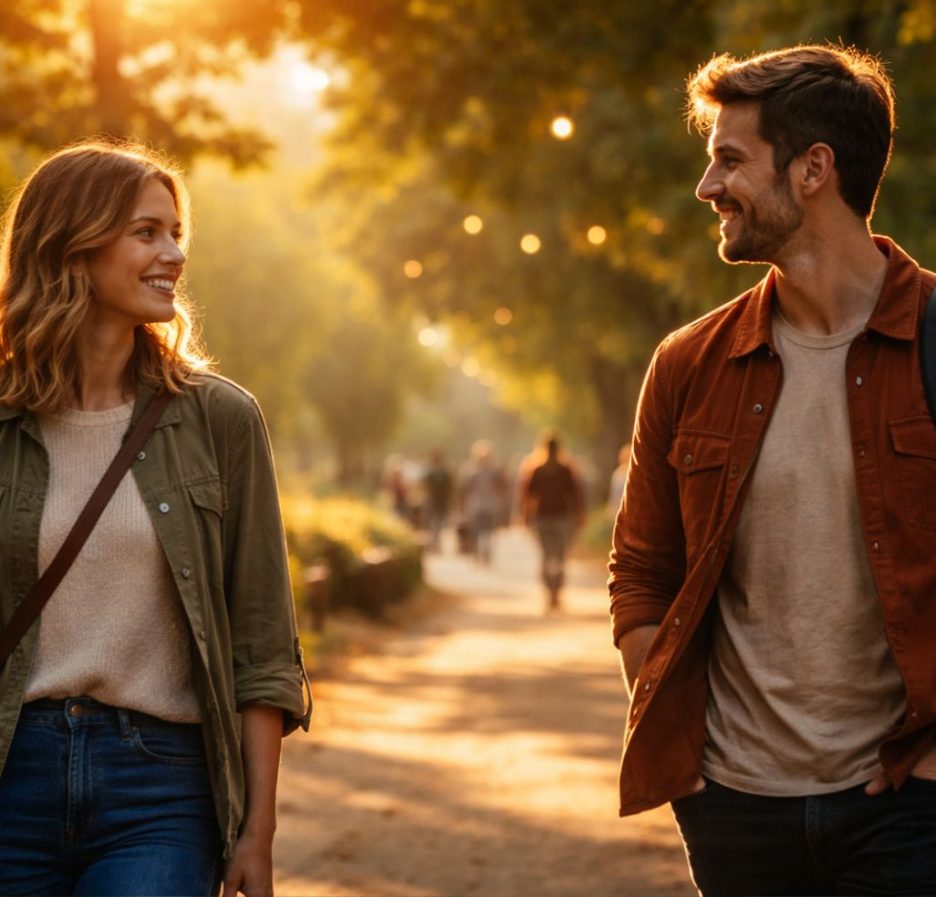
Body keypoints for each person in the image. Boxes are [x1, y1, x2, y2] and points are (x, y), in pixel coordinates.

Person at [608, 46, 936, 896]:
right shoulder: (690, 364)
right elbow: (642, 572)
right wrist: (693, 751)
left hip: (910, 808)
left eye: (729, 160)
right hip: (736, 809)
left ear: (814, 169)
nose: (706, 188)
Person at [0, 141, 311, 896]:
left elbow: (262, 644)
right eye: (147, 232)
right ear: (72, 245)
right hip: (13, 768)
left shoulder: (220, 419)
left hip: (162, 786)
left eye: (176, 233)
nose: (173, 253)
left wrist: (257, 833)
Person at [517, 434, 585, 611]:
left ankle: (550, 592)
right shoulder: (566, 469)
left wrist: (525, 516)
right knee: (559, 556)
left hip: (543, 517)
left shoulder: (537, 469)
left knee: (547, 556)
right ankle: (555, 592)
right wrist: (579, 515)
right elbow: (575, 496)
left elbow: (529, 497)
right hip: (561, 517)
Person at [457, 439, 508, 565]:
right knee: (485, 531)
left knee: (481, 531)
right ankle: (484, 552)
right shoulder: (494, 470)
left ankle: (482, 552)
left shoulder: (470, 470)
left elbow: (463, 491)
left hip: (478, 506)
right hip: (486, 505)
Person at [422, 447, 453, 552]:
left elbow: (424, 486)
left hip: (432, 501)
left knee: (433, 523)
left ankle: (435, 543)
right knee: (438, 523)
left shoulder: (429, 472)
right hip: (441, 501)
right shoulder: (445, 472)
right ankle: (437, 543)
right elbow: (450, 487)